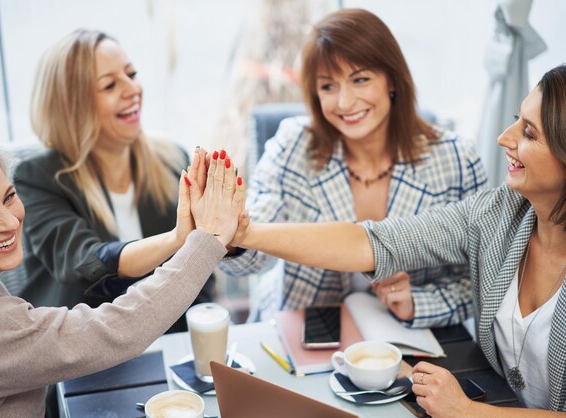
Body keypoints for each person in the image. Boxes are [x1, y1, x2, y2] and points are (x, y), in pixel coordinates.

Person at [230, 64, 566, 415]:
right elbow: (376, 241)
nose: (504, 138)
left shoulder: (451, 158)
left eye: (528, 133)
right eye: (517, 119)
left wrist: (465, 410)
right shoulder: (500, 212)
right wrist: (247, 233)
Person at [0, 125, 242, 416]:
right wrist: (207, 241)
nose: (10, 222)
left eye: (8, 197)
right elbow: (117, 329)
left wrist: (188, 239)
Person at [220, 8, 487, 326]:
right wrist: (233, 237)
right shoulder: (293, 144)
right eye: (328, 87)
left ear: (392, 79)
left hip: (410, 342)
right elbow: (252, 258)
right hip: (302, 334)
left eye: (360, 79)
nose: (345, 103)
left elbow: (483, 279)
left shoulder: (456, 159)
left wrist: (421, 303)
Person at [14, 29, 214, 333]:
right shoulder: (37, 179)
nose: (132, 88)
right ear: (72, 107)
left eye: (131, 73)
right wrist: (177, 238)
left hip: (168, 341)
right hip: (81, 347)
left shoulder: (171, 159)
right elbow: (85, 263)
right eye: (109, 85)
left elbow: (200, 275)